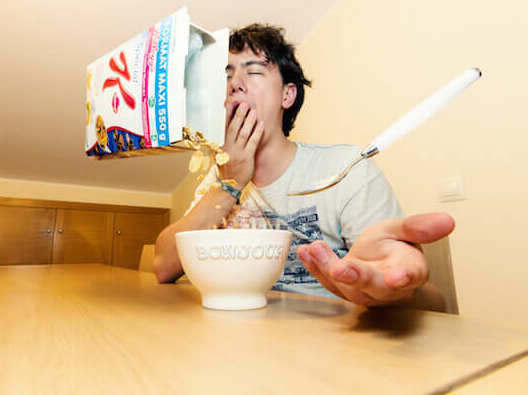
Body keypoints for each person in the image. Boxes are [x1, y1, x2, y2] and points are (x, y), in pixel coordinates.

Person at [154, 24, 452, 311]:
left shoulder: (346, 169)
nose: (234, 84)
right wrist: (228, 185)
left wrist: (391, 290)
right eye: (226, 76)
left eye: (253, 70)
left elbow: (412, 293)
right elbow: (163, 266)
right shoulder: (219, 176)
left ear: (288, 95)